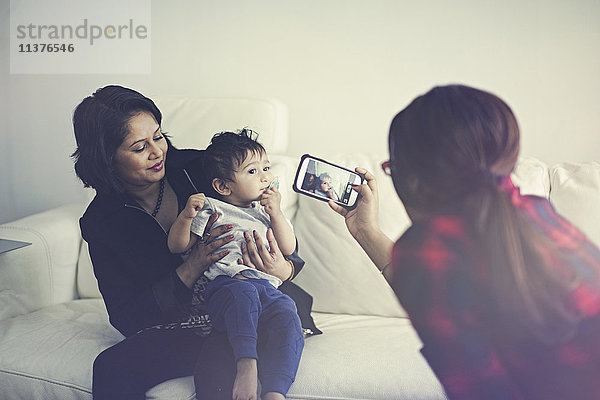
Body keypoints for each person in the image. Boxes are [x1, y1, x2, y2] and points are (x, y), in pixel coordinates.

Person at [330, 84, 600, 399]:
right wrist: (366, 231)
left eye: (392, 170)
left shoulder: (426, 252)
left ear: (413, 180)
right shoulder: (536, 212)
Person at [72, 85, 315, 400]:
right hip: (187, 322)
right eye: (138, 147)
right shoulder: (102, 222)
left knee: (228, 347)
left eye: (158, 137)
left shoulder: (203, 169)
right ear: (107, 158)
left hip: (257, 301)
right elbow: (127, 316)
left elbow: (279, 239)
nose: (157, 152)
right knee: (110, 367)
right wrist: (192, 267)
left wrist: (283, 268)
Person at [168, 129, 303, 400]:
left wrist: (276, 213)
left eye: (266, 167)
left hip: (268, 289)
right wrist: (184, 217)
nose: (265, 176)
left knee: (288, 310)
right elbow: (177, 246)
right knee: (243, 294)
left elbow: (289, 248)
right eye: (253, 172)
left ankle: (276, 391)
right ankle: (247, 365)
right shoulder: (212, 208)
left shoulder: (267, 213)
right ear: (223, 186)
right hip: (228, 287)